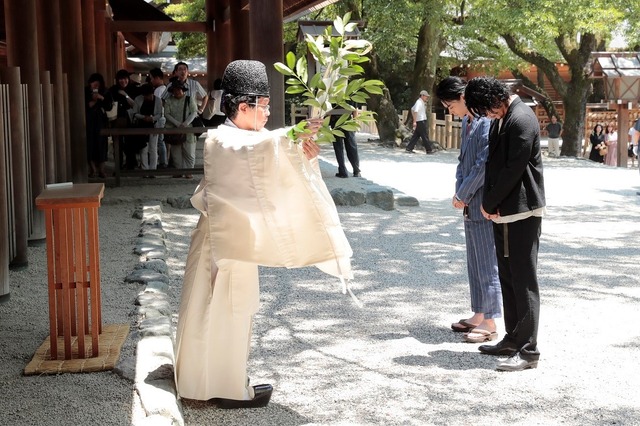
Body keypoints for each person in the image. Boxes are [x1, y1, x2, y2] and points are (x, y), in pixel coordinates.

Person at [173, 60, 353, 408]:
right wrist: (291, 138)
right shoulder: (221, 139)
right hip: (219, 244)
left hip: (235, 240)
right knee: (217, 309)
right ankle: (213, 387)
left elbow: (270, 163)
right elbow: (258, 151)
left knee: (234, 312)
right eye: (265, 107)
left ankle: (224, 381)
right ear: (243, 106)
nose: (268, 115)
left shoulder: (250, 139)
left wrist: (303, 156)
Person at [464, 76, 546, 372]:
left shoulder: (522, 118)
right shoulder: (504, 116)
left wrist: (488, 202)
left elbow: (514, 169)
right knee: (509, 277)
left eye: (486, 110)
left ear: (495, 99)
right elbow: (492, 165)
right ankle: (513, 338)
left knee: (524, 280)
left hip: (521, 211)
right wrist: (490, 202)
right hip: (503, 211)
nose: (487, 115)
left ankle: (529, 350)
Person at [436, 76, 502, 343]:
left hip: (483, 200)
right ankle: (479, 312)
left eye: (450, 105)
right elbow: (463, 161)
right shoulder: (467, 122)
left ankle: (491, 322)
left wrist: (463, 193)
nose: (450, 111)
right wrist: (458, 191)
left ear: (463, 97)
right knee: (474, 259)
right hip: (468, 201)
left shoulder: (485, 121)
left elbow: (484, 165)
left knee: (487, 261)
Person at [164, 79, 198, 178]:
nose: (177, 92)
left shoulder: (189, 99)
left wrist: (186, 123)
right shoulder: (169, 100)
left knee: (189, 152)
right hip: (174, 129)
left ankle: (189, 171)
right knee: (176, 152)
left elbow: (194, 112)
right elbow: (166, 114)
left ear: (183, 89)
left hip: (188, 129)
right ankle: (178, 170)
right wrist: (177, 123)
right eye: (175, 90)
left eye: (179, 89)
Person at [109, 69, 140, 170]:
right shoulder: (113, 90)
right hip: (116, 120)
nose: (123, 81)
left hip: (130, 120)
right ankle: (118, 166)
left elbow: (135, 105)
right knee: (117, 144)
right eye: (121, 79)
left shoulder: (134, 89)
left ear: (128, 79)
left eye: (125, 79)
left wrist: (125, 95)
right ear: (117, 80)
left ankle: (131, 164)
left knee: (130, 143)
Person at [85, 73, 113, 178]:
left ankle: (101, 170)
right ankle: (92, 169)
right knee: (90, 146)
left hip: (101, 122)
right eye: (94, 84)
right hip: (88, 122)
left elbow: (109, 106)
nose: (95, 87)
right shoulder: (85, 92)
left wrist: (101, 98)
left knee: (102, 146)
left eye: (98, 85)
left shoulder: (106, 92)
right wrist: (93, 100)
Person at [132, 84, 163, 173]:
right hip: (141, 125)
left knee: (153, 148)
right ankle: (144, 169)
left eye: (148, 95)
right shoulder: (138, 99)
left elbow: (160, 114)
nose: (146, 97)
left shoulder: (158, 100)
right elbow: (135, 113)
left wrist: (152, 118)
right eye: (145, 96)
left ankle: (153, 170)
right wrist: (143, 117)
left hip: (153, 125)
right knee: (143, 148)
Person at [329, 106, 361, 178]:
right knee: (352, 147)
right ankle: (356, 171)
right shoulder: (349, 95)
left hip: (336, 122)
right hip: (348, 121)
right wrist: (354, 122)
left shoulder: (331, 95)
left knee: (338, 148)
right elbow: (355, 109)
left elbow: (328, 110)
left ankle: (343, 171)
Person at [148, 67, 168, 168]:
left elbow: (156, 106)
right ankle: (163, 161)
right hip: (162, 117)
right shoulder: (164, 88)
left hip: (159, 117)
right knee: (161, 140)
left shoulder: (158, 91)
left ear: (156, 78)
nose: (151, 80)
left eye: (151, 78)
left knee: (159, 141)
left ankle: (163, 162)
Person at [406, 90, 435, 154]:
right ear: (422, 96)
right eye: (425, 96)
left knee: (416, 135)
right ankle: (429, 150)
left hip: (420, 120)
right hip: (420, 121)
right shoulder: (419, 102)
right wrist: (414, 121)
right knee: (424, 135)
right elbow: (415, 111)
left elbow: (412, 109)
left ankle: (409, 148)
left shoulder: (421, 102)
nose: (426, 97)